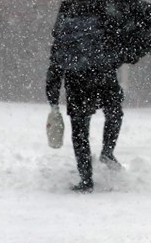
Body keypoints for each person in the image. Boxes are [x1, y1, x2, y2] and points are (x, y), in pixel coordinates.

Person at [45, 44, 124, 193]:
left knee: (80, 132)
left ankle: (86, 179)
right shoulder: (104, 24)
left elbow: (55, 67)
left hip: (77, 84)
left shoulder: (66, 28)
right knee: (114, 114)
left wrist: (53, 100)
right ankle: (107, 152)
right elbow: (117, 54)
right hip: (104, 79)